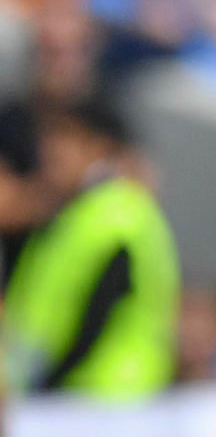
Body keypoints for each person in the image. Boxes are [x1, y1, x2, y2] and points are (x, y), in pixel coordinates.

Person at [2, 96, 180, 401]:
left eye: (66, 137)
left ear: (98, 147)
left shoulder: (121, 215)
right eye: (49, 137)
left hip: (104, 401)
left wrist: (45, 387)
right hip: (64, 399)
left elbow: (96, 316)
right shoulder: (68, 213)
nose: (52, 149)